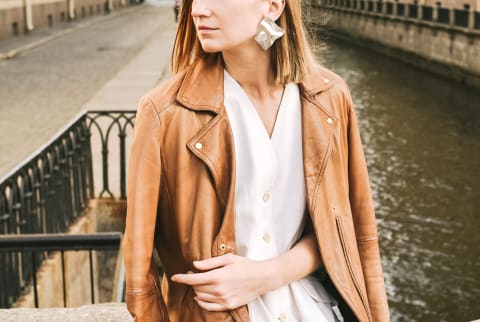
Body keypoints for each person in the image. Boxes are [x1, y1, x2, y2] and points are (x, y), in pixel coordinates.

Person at [123, 0, 390, 321]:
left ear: (273, 6)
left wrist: (269, 274)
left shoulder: (330, 97)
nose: (197, 10)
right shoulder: (163, 114)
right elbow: (140, 279)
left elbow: (351, 230)